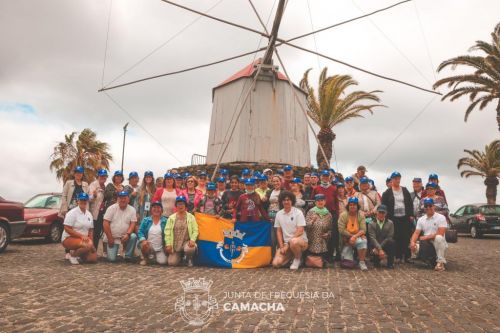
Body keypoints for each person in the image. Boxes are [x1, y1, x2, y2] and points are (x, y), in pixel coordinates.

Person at [381, 171, 414, 263]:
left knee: (406, 236)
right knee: (395, 236)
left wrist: (411, 214)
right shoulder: (387, 192)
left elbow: (410, 203)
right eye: (395, 178)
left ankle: (407, 256)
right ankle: (397, 256)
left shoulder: (404, 190)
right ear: (391, 180)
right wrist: (385, 217)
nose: (397, 180)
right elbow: (383, 205)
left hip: (405, 217)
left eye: (398, 178)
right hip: (393, 218)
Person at [272, 191, 308, 270]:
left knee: (293, 242)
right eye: (284, 200)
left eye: (288, 200)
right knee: (276, 263)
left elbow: (300, 230)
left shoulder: (298, 212)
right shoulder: (278, 214)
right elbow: (278, 231)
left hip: (300, 241)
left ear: (292, 201)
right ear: (281, 201)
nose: (286, 202)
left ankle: (298, 259)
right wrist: (281, 246)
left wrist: (287, 245)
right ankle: (292, 256)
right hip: (286, 244)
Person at [410, 198, 448, 271]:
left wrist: (426, 237)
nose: (428, 208)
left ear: (434, 206)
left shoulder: (441, 217)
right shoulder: (421, 219)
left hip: (438, 243)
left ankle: (440, 262)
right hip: (427, 243)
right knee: (414, 247)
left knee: (439, 237)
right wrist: (412, 242)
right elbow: (416, 232)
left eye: (430, 205)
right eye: (426, 206)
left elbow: (441, 233)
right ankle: (430, 260)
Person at [311, 170, 339, 262]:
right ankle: (320, 255)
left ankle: (329, 256)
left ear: (329, 177)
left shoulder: (334, 188)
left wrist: (336, 215)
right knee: (319, 234)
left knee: (330, 235)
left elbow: (336, 203)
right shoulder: (316, 188)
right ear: (321, 177)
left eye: (327, 176)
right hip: (318, 215)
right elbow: (312, 201)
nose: (325, 178)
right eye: (324, 176)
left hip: (331, 214)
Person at [61, 193, 97, 264]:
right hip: (68, 238)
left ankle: (79, 253)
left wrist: (92, 244)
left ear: (87, 201)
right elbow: (67, 228)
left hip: (83, 240)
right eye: (81, 200)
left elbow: (90, 230)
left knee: (93, 259)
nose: (83, 202)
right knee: (88, 245)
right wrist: (81, 236)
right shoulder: (72, 213)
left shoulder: (89, 214)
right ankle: (73, 256)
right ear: (78, 201)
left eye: (85, 200)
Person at [102, 191, 138, 262]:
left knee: (133, 236)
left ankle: (127, 255)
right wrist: (110, 238)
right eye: (121, 198)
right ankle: (109, 251)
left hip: (125, 236)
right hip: (113, 237)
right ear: (118, 199)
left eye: (125, 198)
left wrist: (128, 234)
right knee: (111, 259)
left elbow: (133, 223)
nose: (123, 200)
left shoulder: (132, 209)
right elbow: (105, 223)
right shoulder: (111, 208)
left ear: (128, 199)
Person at [164, 196, 198, 267]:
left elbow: (195, 230)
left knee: (190, 249)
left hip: (186, 242)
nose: (181, 206)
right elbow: (167, 232)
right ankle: (180, 256)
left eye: (182, 204)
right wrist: (168, 244)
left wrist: (192, 240)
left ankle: (189, 259)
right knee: (171, 263)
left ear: (185, 205)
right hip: (176, 244)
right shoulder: (171, 218)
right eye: (179, 204)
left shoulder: (191, 217)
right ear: (176, 206)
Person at [338, 197, 368, 270]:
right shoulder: (343, 215)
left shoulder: (361, 215)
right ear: (348, 206)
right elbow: (341, 230)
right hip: (346, 240)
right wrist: (352, 236)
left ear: (357, 206)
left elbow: (363, 229)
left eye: (354, 205)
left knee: (363, 241)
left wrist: (355, 237)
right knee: (348, 264)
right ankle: (352, 256)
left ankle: (362, 262)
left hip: (356, 238)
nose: (352, 206)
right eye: (351, 204)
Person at [305, 194, 332, 266]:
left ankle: (321, 261)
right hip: (312, 240)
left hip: (323, 242)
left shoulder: (328, 214)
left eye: (322, 200)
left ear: (325, 202)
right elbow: (306, 227)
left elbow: (330, 229)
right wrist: (312, 221)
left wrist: (328, 234)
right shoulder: (311, 212)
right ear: (315, 202)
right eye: (318, 201)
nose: (320, 202)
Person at [137, 201, 167, 266]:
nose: (156, 209)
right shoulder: (146, 220)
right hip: (148, 246)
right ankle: (145, 258)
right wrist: (143, 240)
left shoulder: (165, 221)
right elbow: (140, 231)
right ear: (151, 210)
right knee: (144, 245)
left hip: (160, 248)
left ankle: (154, 257)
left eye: (158, 207)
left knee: (163, 262)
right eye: (154, 207)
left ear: (162, 210)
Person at [368, 204, 395, 269]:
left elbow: (389, 237)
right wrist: (379, 249)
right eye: (380, 212)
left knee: (391, 242)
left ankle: (390, 263)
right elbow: (372, 238)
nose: (381, 214)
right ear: (376, 212)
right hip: (375, 246)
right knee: (376, 265)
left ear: (386, 213)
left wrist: (380, 249)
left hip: (385, 245)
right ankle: (375, 259)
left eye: (383, 213)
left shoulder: (390, 223)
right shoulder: (371, 223)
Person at [88, 169, 108, 254]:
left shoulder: (105, 187)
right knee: (92, 232)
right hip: (94, 212)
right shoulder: (93, 185)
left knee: (97, 233)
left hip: (101, 213)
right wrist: (94, 195)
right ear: (98, 176)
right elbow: (88, 199)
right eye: (101, 176)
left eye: (104, 176)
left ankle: (94, 251)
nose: (103, 178)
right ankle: (89, 251)